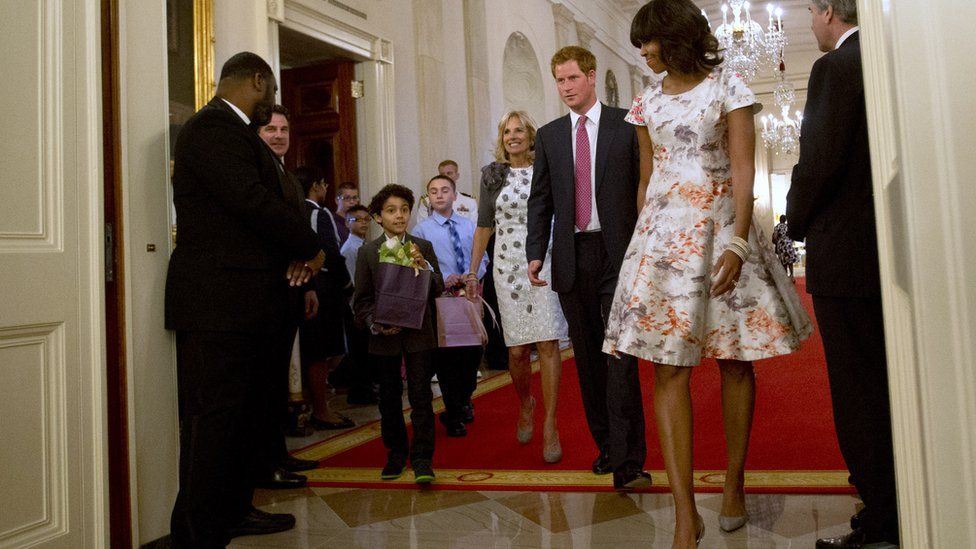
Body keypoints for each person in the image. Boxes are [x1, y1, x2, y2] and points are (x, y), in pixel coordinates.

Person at [603, 2, 813, 546]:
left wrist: (741, 242)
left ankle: (735, 484)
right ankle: (682, 512)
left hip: (723, 234)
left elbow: (744, 168)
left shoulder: (729, 86)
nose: (643, 52)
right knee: (667, 370)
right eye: (639, 44)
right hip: (664, 242)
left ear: (675, 37)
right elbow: (648, 179)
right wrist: (640, 251)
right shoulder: (645, 100)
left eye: (648, 42)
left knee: (735, 361)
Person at [165, 52, 324, 546]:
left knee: (242, 418)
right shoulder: (213, 128)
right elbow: (253, 204)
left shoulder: (231, 131)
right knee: (213, 420)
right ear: (258, 81)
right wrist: (312, 249)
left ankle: (233, 511)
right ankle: (197, 531)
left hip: (245, 300)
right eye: (270, 91)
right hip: (218, 301)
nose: (271, 103)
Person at [787, 2, 899, 547]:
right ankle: (892, 504)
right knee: (885, 385)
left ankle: (881, 517)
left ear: (829, 11)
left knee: (857, 393)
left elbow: (820, 158)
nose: (811, 21)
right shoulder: (885, 61)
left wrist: (794, 219)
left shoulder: (834, 67)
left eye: (811, 10)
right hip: (885, 254)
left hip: (845, 257)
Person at [524, 45, 650, 490]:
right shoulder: (550, 135)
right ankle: (607, 448)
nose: (565, 88)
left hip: (619, 254)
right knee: (588, 361)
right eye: (559, 80)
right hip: (572, 257)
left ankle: (630, 459)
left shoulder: (626, 124)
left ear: (591, 77)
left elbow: (644, 187)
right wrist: (535, 251)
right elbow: (540, 200)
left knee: (620, 358)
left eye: (572, 78)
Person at [465, 110, 569, 464]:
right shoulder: (492, 175)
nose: (513, 136)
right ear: (502, 137)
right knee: (517, 352)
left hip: (545, 260)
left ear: (530, 134)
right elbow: (483, 227)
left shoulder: (547, 167)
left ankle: (551, 425)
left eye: (519, 130)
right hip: (507, 267)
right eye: (507, 131)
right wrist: (472, 272)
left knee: (549, 341)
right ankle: (526, 402)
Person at [352, 184, 444, 483]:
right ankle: (395, 454)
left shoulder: (422, 246)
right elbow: (362, 301)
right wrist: (373, 324)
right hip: (384, 337)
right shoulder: (368, 252)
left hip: (419, 333)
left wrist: (426, 267)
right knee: (389, 397)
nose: (400, 216)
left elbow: (438, 287)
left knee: (420, 395)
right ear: (378, 217)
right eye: (391, 211)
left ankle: (422, 458)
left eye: (404, 209)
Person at [253, 105, 322, 490]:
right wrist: (312, 255)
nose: (278, 135)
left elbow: (298, 230)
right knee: (264, 381)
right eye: (270, 129)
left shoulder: (291, 178)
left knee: (278, 376)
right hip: (268, 287)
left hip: (295, 287)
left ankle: (279, 453)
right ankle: (266, 463)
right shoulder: (258, 172)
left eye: (283, 128)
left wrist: (310, 278)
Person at [414, 174, 489, 437]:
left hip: (469, 296)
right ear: (428, 198)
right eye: (433, 191)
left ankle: (464, 397)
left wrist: (472, 274)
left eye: (445, 190)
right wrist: (443, 278)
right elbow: (419, 264)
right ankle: (453, 411)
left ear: (455, 196)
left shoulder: (470, 226)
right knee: (448, 357)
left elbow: (483, 258)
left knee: (471, 354)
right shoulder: (421, 231)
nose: (439, 195)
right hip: (441, 299)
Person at [293, 166, 357, 428]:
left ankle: (311, 404)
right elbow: (331, 252)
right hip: (323, 287)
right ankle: (321, 409)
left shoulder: (292, 210)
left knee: (308, 350)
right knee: (326, 349)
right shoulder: (319, 213)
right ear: (317, 185)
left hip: (299, 284)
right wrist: (348, 286)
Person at [415, 160, 479, 224]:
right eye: (442, 174)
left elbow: (474, 229)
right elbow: (422, 227)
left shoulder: (469, 202)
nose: (445, 177)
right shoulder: (427, 201)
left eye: (449, 173)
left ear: (457, 175)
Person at [341, 204, 370, 280]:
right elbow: (353, 279)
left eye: (366, 219)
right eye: (358, 219)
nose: (364, 222)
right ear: (347, 223)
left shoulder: (364, 244)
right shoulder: (350, 249)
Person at [772, 215, 798, 280]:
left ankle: (786, 277)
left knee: (784, 261)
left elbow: (775, 237)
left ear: (779, 220)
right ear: (785, 220)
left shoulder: (777, 227)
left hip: (781, 244)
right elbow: (793, 236)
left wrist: (778, 241)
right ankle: (792, 276)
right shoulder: (788, 227)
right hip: (788, 244)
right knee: (790, 261)